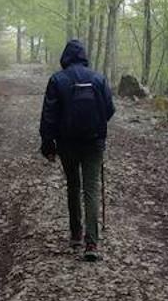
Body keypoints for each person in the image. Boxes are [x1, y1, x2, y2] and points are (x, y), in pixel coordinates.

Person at [39, 39, 115, 262]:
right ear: (84, 56)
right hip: (93, 143)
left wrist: (48, 144)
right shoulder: (98, 78)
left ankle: (75, 234)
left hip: (67, 143)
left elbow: (49, 115)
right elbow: (109, 110)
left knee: (73, 185)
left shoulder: (57, 80)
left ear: (65, 57)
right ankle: (92, 242)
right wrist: (97, 128)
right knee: (91, 188)